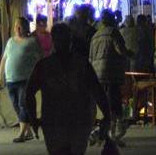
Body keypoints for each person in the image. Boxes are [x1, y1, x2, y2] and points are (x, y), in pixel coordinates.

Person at [25, 24, 112, 155]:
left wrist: (33, 119)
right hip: (76, 120)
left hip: (56, 121)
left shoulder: (45, 66)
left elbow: (29, 93)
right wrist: (106, 115)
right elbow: (97, 90)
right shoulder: (81, 64)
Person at [0, 16, 41, 143]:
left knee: (22, 104)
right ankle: (28, 131)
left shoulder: (32, 42)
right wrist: (0, 76)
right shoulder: (10, 41)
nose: (17, 29)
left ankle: (21, 134)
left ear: (26, 28)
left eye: (20, 26)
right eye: (16, 26)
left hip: (25, 79)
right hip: (11, 79)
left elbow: (40, 58)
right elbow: (4, 59)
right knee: (16, 105)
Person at [89, 9, 128, 144]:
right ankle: (109, 134)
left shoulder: (95, 35)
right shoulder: (113, 32)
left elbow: (91, 57)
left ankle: (104, 133)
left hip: (97, 73)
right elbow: (120, 50)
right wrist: (128, 53)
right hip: (111, 72)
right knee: (114, 103)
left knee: (106, 105)